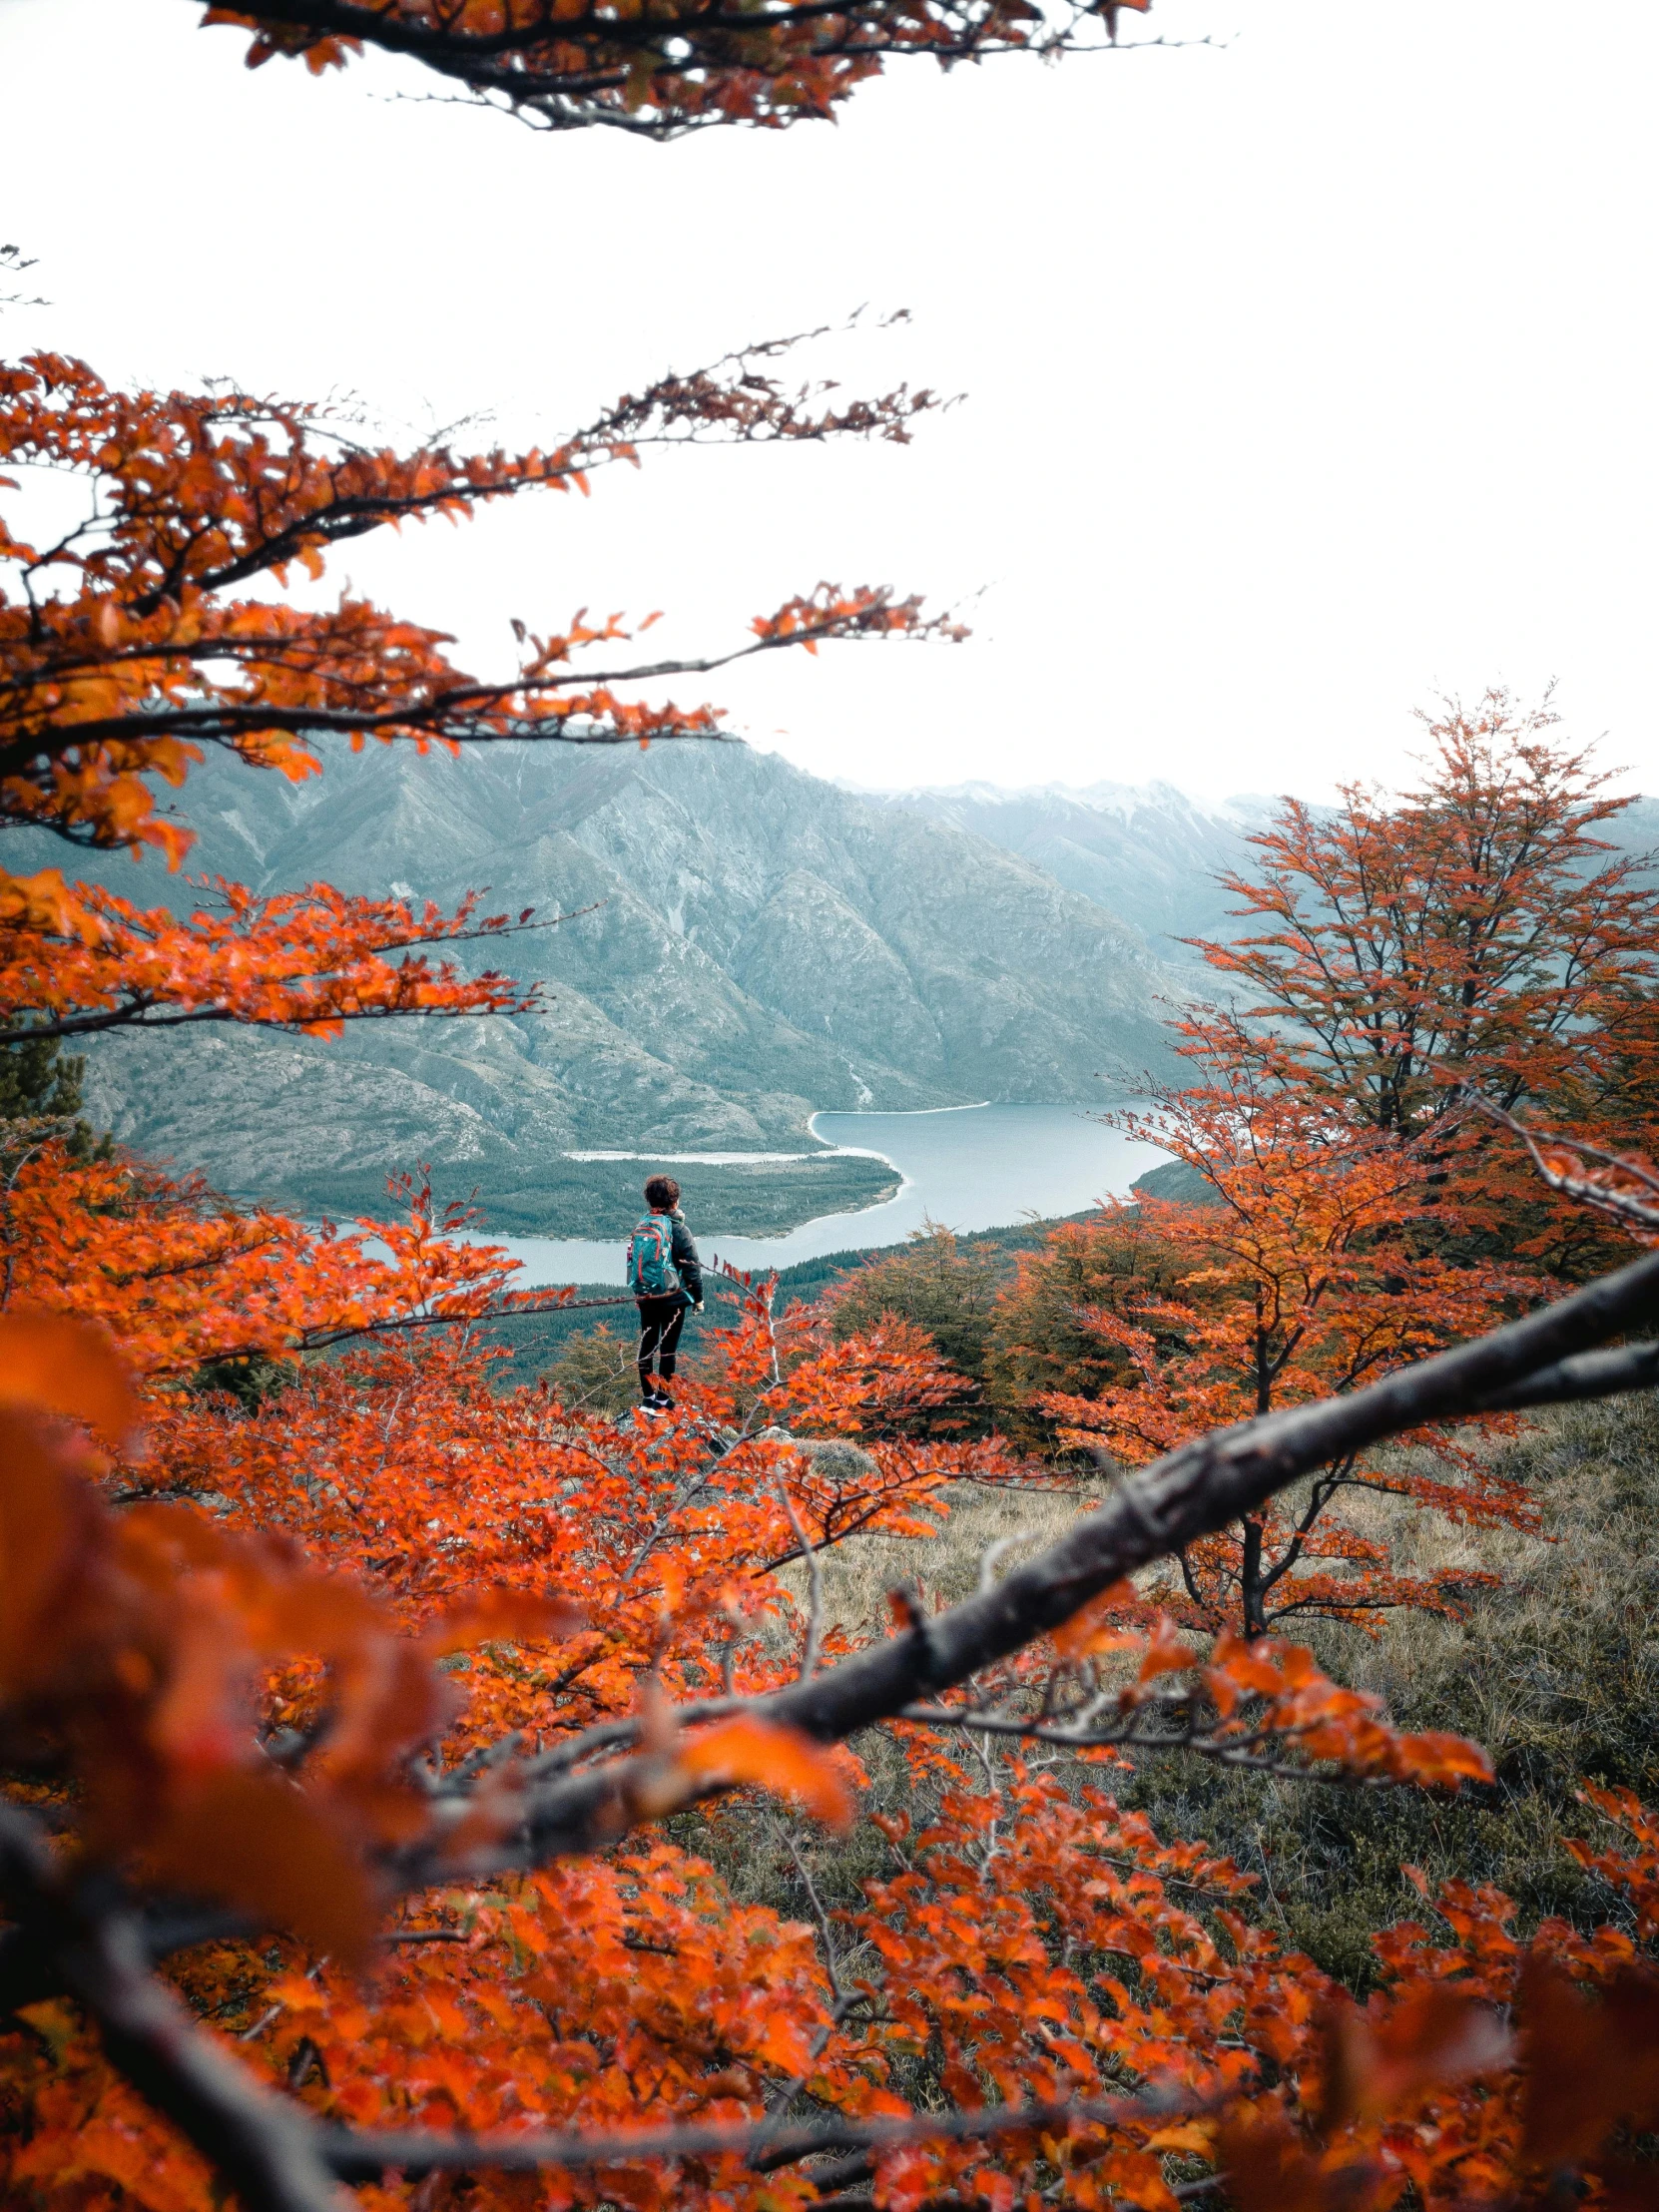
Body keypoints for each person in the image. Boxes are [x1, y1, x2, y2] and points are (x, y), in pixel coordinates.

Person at [627, 1173, 703, 1414]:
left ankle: (647, 1398)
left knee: (647, 1346)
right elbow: (692, 1268)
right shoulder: (679, 1229)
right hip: (673, 1299)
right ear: (675, 1201)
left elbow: (633, 1261)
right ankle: (662, 1400)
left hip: (646, 1296)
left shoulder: (641, 1225)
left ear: (649, 1201)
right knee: (668, 1348)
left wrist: (639, 1291)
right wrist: (698, 1298)